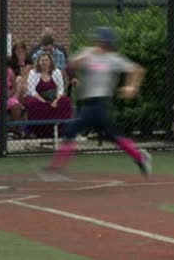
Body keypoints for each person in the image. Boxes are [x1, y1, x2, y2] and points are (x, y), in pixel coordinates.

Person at [38, 27, 152, 181]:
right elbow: (70, 66)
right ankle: (139, 157)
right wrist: (83, 58)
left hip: (100, 103)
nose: (99, 43)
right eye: (98, 40)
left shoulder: (113, 58)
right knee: (113, 135)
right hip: (88, 103)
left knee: (72, 128)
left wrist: (132, 86)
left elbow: (137, 70)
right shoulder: (89, 53)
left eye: (102, 41)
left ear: (108, 43)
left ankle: (55, 168)